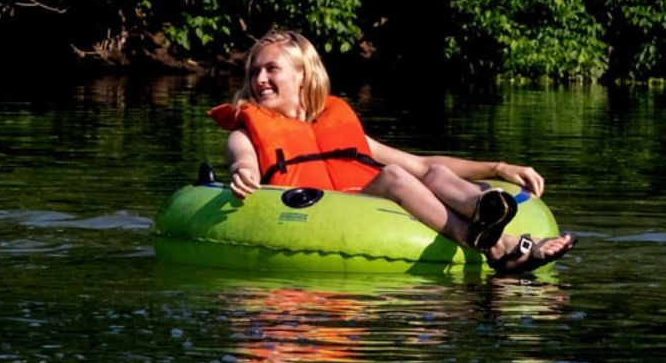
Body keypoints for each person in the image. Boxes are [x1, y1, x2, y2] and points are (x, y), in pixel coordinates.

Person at [211, 30, 575, 275]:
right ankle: (502, 245)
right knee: (396, 177)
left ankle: (485, 209)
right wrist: (244, 172)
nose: (259, 80)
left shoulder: (334, 122)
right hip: (325, 210)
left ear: (303, 75)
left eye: (271, 69)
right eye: (254, 71)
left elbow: (422, 163)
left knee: (428, 174)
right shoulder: (248, 130)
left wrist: (498, 167)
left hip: (368, 199)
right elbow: (241, 156)